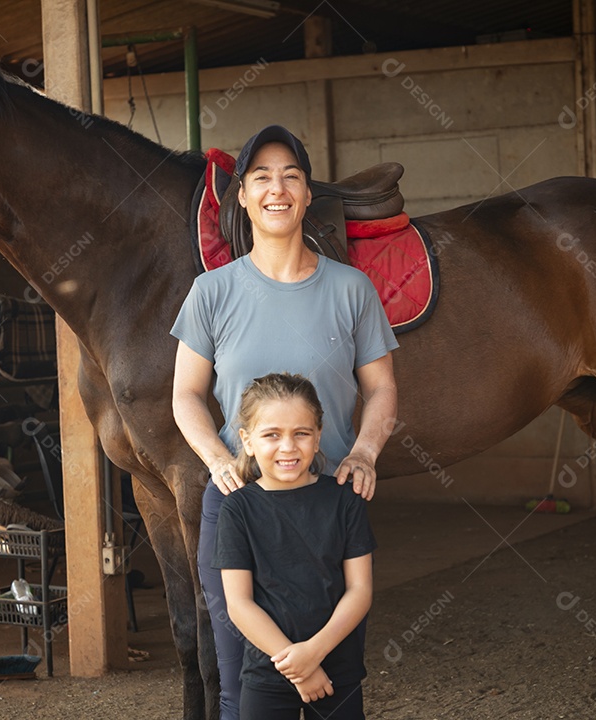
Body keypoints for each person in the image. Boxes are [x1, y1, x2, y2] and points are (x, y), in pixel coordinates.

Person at [171, 124, 398, 719]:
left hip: (326, 503)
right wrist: (218, 459)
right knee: (238, 683)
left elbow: (382, 390)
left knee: (335, 682)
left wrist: (366, 452)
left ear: (307, 195)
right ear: (241, 196)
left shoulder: (352, 289)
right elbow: (185, 396)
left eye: (291, 176)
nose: (278, 189)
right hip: (240, 501)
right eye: (261, 178)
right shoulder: (210, 291)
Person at [215, 373, 374, 719]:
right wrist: (297, 665)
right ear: (248, 441)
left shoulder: (344, 501)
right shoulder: (238, 509)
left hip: (337, 669)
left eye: (301, 433)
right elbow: (239, 604)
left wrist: (313, 654)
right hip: (267, 674)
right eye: (272, 434)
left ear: (318, 438)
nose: (288, 447)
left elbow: (360, 590)